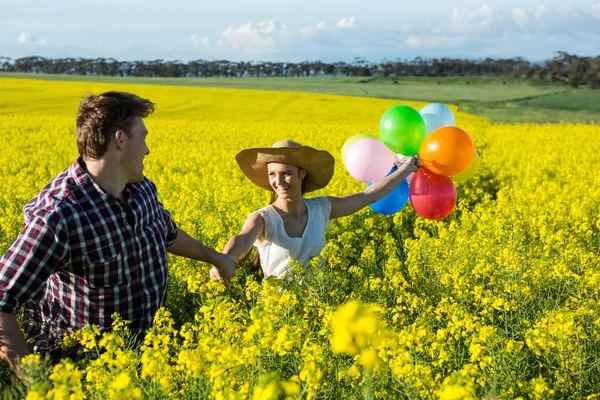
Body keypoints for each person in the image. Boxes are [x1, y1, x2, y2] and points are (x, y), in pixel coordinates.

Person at [0, 91, 237, 375]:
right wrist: (37, 384)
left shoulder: (141, 189)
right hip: (86, 374)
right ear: (121, 140)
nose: (148, 149)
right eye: (144, 138)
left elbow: (167, 233)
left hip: (148, 360)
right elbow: (2, 299)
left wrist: (215, 258)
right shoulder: (60, 215)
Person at [210, 139, 419, 284]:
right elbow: (242, 239)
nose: (278, 181)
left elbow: (368, 196)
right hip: (277, 317)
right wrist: (224, 258)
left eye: (286, 174)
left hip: (317, 310)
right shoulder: (263, 219)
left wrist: (406, 169)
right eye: (272, 174)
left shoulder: (321, 208)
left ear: (302, 174)